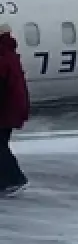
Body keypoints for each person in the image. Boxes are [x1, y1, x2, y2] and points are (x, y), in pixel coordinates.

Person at [0, 25, 30, 195]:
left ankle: (14, 180)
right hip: (10, 109)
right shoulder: (9, 54)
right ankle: (9, 180)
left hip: (5, 110)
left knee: (0, 146)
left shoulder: (3, 57)